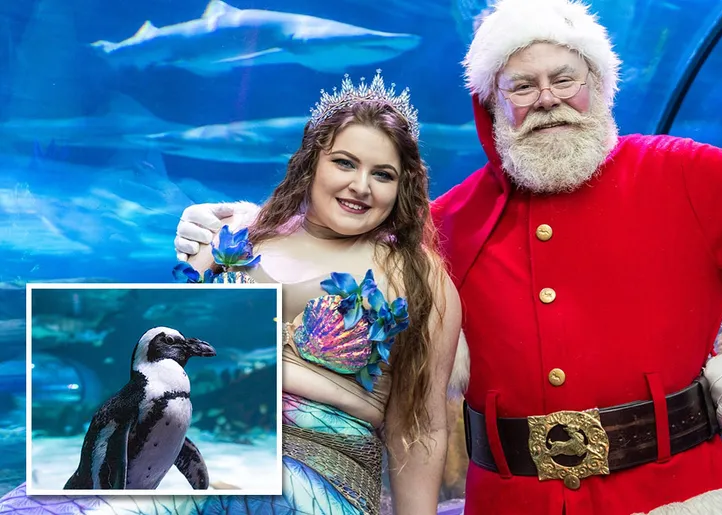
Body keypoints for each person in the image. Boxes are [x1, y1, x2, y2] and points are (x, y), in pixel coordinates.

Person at [171, 0, 722, 513]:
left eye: (566, 78)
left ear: (599, 86)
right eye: (522, 86)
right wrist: (239, 223)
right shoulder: (446, 223)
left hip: (680, 491)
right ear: (491, 106)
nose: (548, 101)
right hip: (512, 499)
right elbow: (342, 247)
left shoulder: (677, 169)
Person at [0, 71, 461, 515]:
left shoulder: (421, 278)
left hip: (319, 477)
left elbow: (419, 428)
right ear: (311, 160)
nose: (360, 186)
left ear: (404, 186)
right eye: (344, 162)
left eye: (383, 174)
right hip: (200, 448)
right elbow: (163, 324)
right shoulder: (236, 234)